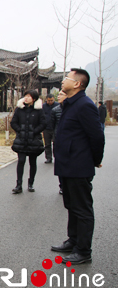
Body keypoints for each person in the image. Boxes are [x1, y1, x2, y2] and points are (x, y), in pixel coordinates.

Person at [51, 69, 105, 265]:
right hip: (67, 164)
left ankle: (83, 251)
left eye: (67, 78)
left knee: (82, 209)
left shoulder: (84, 105)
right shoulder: (69, 104)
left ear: (77, 84)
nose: (63, 80)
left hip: (78, 165)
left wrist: (94, 159)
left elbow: (97, 136)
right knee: (71, 205)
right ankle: (73, 241)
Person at [10, 90, 46, 193]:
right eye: (25, 96)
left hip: (34, 140)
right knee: (21, 161)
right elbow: (13, 122)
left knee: (32, 162)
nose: (26, 98)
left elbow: (43, 124)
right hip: (21, 139)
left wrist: (34, 131)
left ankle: (31, 183)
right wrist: (20, 130)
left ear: (34, 99)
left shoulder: (39, 111)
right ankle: (18, 185)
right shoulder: (19, 109)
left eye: (29, 96)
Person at [49, 90, 67, 194]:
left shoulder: (72, 109)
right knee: (59, 162)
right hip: (58, 139)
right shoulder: (55, 110)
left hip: (68, 140)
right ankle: (61, 185)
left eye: (61, 94)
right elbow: (52, 125)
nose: (59, 96)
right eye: (59, 94)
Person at [42, 93, 59, 163]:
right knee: (47, 144)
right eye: (49, 101)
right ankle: (48, 158)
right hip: (46, 128)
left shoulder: (57, 105)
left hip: (55, 127)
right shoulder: (44, 106)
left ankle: (57, 157)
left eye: (51, 100)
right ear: (46, 100)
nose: (50, 102)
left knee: (56, 143)